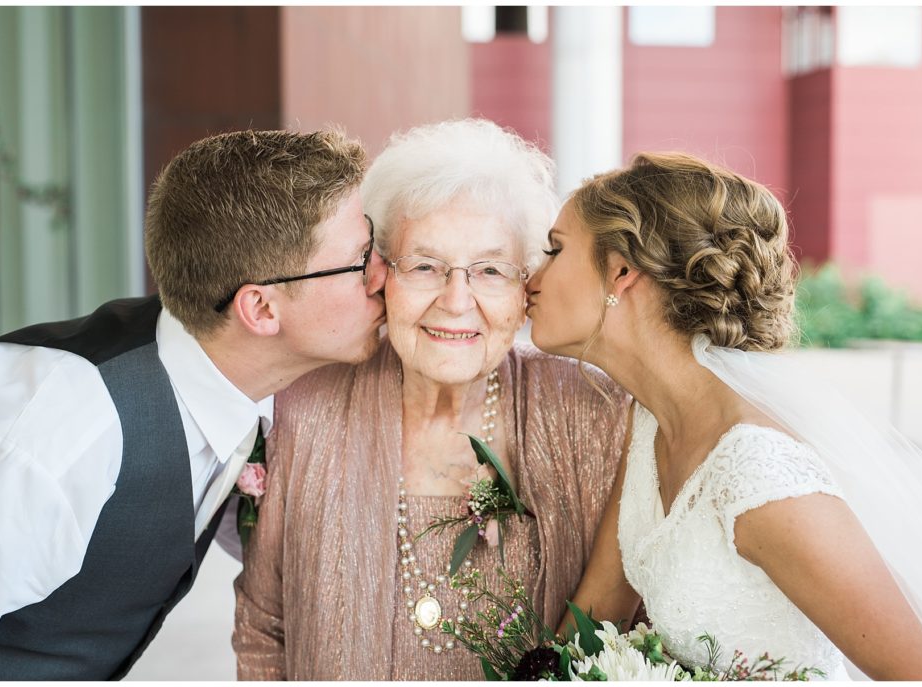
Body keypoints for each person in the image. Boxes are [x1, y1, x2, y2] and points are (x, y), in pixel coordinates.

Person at [526, 152, 922, 680]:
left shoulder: (758, 475)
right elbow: (595, 618)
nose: (531, 279)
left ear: (621, 271)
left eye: (554, 251)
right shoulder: (649, 421)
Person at [0, 129, 388, 680]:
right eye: (361, 259)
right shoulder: (60, 433)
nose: (386, 273)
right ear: (260, 309)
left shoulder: (241, 380)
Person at [232, 119, 632, 680]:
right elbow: (263, 626)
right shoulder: (304, 409)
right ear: (381, 275)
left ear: (526, 289)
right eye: (424, 266)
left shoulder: (590, 413)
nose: (456, 301)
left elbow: (631, 633)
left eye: (490, 270)